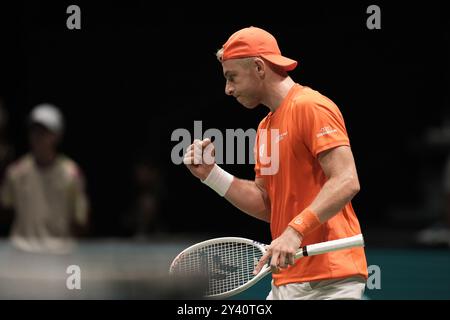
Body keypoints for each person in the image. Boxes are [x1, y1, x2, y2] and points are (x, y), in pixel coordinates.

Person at [183, 27, 368, 299]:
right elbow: (268, 204)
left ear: (259, 67)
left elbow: (346, 180)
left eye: (231, 77)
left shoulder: (311, 106)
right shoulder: (265, 128)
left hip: (331, 278)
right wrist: (211, 175)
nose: (228, 89)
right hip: (287, 279)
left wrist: (294, 231)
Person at [0, 103, 89, 254]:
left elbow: (80, 219)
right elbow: (6, 209)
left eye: (44, 131)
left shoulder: (72, 173)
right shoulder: (16, 172)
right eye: (34, 130)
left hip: (59, 252)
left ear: (57, 135)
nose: (38, 136)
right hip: (23, 252)